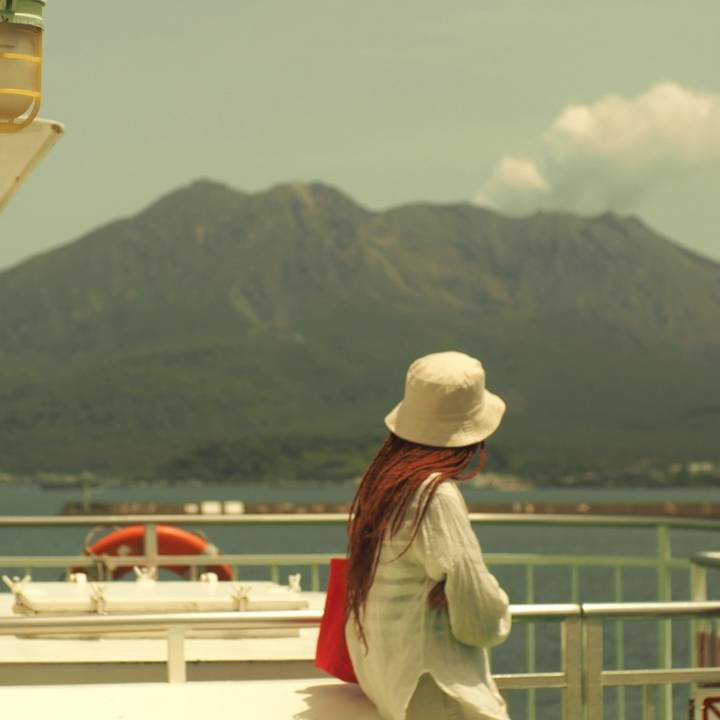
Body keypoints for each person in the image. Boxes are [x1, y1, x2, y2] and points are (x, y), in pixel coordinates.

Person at [345, 351, 512, 720]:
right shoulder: (435, 495)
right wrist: (492, 601)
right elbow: (479, 620)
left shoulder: (385, 487)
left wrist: (449, 591)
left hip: (393, 684)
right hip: (438, 691)